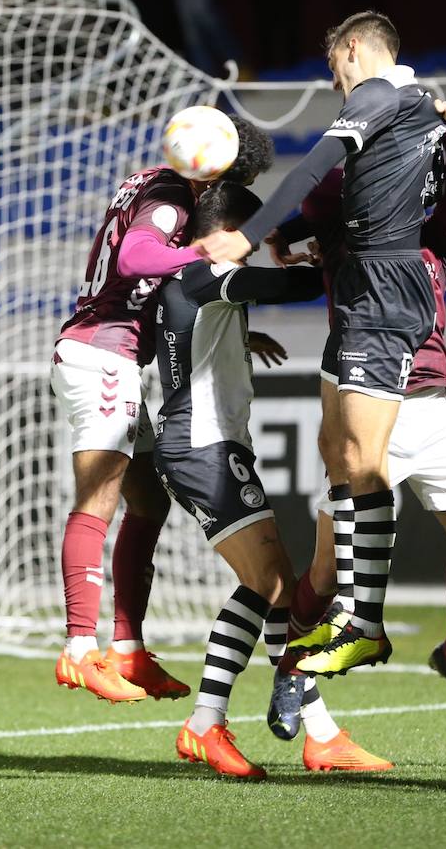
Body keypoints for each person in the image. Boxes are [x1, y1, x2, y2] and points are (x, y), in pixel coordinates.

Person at [199, 11, 446, 676]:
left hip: (383, 288)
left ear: (350, 49)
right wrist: (291, 232)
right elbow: (365, 185)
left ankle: (362, 622)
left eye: (334, 68)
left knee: (365, 460)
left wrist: (249, 233)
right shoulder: (421, 103)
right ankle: (351, 610)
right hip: (360, 283)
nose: (337, 83)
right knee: (335, 451)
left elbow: (320, 160)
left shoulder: (376, 93)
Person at [268, 108, 446, 729]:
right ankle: (292, 671)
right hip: (369, 410)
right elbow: (319, 195)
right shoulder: (349, 243)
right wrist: (358, 133)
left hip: (431, 411)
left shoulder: (435, 247)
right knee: (326, 567)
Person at [158, 183, 392, 779]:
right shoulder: (206, 273)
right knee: (267, 584)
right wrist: (329, 261)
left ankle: (318, 734)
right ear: (223, 233)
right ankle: (207, 723)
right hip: (201, 448)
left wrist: (240, 334)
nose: (251, 248)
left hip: (206, 446)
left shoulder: (192, 282)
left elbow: (201, 323)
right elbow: (295, 287)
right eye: (247, 236)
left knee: (276, 588)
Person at [51, 115, 274, 702]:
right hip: (101, 354)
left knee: (147, 499)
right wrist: (200, 254)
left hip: (113, 356)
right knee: (97, 500)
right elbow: (134, 260)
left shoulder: (154, 184)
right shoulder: (172, 200)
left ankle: (128, 649)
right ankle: (79, 648)